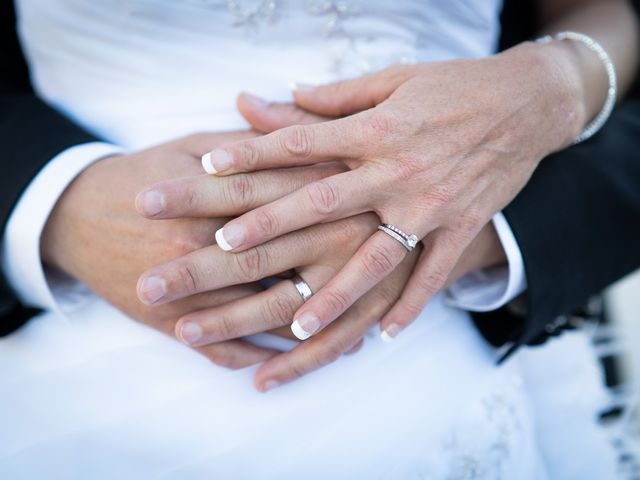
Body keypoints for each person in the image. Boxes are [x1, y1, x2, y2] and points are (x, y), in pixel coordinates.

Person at [0, 0, 639, 477]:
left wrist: (554, 86)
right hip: (91, 379)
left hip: (442, 365)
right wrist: (58, 204)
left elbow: (605, 14)